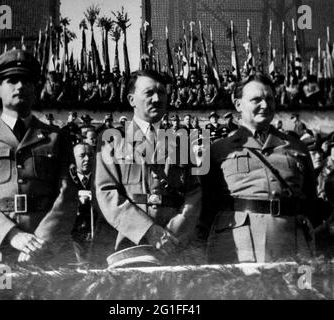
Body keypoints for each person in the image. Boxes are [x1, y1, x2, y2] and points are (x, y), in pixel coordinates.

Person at [199, 73, 318, 264]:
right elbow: (204, 207)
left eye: (269, 99)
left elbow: (310, 199)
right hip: (238, 247)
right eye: (256, 99)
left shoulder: (297, 147)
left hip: (294, 244)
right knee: (242, 293)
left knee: (301, 292)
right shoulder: (217, 150)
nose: (265, 105)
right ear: (238, 105)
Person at [0, 49, 79, 266]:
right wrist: (12, 235)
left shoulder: (56, 138)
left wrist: (41, 240)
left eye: (27, 81)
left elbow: (68, 195)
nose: (20, 86)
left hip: (48, 252)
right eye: (12, 80)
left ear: (36, 89)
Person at [94, 70, 202, 267]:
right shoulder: (113, 142)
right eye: (149, 93)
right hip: (127, 245)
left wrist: (176, 229)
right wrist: (148, 230)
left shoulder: (181, 143)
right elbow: (106, 193)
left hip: (174, 246)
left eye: (162, 93)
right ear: (132, 99)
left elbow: (194, 191)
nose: (156, 98)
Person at [70, 143, 95, 262]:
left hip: (96, 233)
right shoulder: (67, 180)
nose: (87, 159)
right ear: (73, 158)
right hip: (73, 235)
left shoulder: (100, 179)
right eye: (82, 156)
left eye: (90, 155)